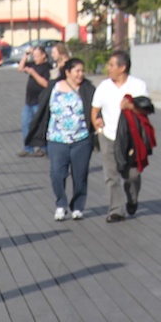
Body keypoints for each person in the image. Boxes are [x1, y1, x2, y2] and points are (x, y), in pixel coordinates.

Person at [26, 56, 97, 220]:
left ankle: (78, 206)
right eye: (77, 71)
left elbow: (95, 109)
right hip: (57, 138)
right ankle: (61, 203)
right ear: (67, 72)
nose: (80, 74)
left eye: (82, 71)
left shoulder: (88, 89)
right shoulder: (54, 87)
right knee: (57, 173)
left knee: (80, 174)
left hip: (81, 138)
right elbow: (44, 108)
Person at [91, 49, 149, 223]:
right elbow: (95, 109)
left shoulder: (138, 85)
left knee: (132, 175)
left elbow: (146, 109)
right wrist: (97, 124)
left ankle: (132, 197)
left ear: (122, 67)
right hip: (108, 135)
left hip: (131, 137)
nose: (108, 68)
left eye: (111, 65)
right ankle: (116, 210)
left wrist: (130, 107)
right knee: (111, 174)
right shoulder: (104, 86)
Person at [17, 44, 50, 156]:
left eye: (37, 56)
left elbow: (45, 84)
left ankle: (43, 147)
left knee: (40, 125)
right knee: (26, 123)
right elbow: (20, 68)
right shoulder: (33, 65)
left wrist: (33, 73)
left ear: (43, 55)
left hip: (39, 101)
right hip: (29, 101)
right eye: (34, 56)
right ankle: (28, 147)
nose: (35, 58)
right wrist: (26, 55)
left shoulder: (47, 67)